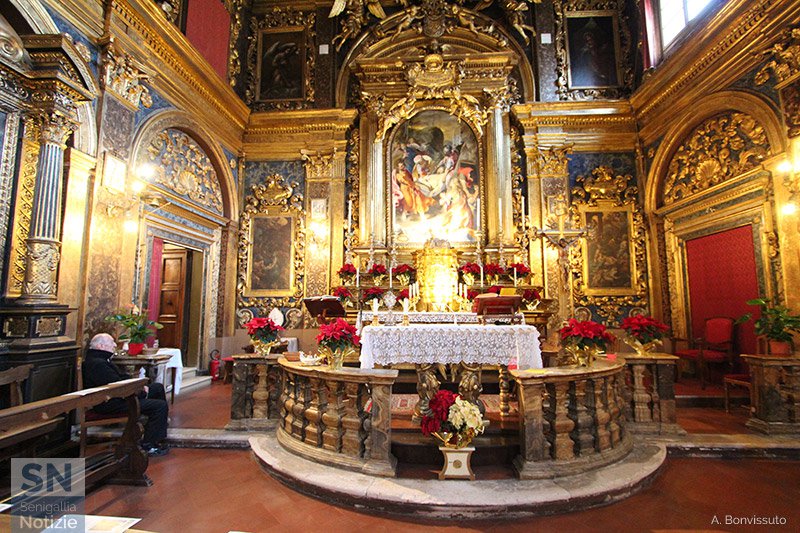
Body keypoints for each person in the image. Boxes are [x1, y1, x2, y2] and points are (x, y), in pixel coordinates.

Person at [83, 333, 170, 456]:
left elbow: (121, 378)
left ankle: (156, 430)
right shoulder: (98, 364)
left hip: (117, 397)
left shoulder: (101, 359)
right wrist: (140, 392)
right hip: (110, 403)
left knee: (157, 388)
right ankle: (149, 445)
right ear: (101, 346)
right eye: (111, 342)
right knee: (159, 406)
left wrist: (140, 385)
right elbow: (117, 387)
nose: (114, 345)